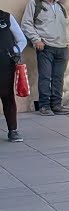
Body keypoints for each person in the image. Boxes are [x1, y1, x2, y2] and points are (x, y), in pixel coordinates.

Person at [20, 0, 69, 116]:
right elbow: (26, 24)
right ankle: (44, 106)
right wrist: (36, 39)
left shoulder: (60, 6)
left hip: (62, 47)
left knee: (58, 77)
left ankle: (56, 105)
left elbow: (66, 25)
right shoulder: (34, 4)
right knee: (45, 77)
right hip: (46, 47)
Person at [0, 8, 27, 142]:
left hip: (5, 65)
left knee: (8, 97)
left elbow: (22, 40)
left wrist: (14, 52)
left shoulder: (5, 17)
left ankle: (13, 130)